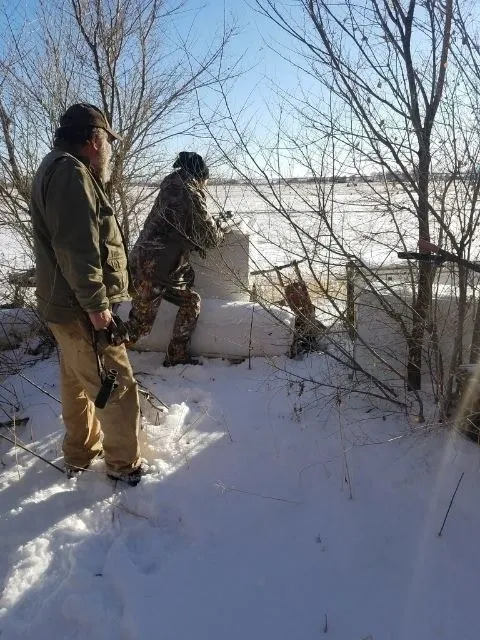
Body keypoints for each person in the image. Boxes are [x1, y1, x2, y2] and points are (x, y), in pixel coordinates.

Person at [30, 103, 143, 486]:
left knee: (77, 382)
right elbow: (76, 249)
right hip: (80, 307)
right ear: (93, 141)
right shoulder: (70, 174)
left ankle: (80, 453)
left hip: (63, 305)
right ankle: (123, 465)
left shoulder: (56, 166)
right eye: (106, 141)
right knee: (118, 385)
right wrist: (98, 310)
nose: (108, 149)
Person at [127, 151, 224, 366]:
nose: (206, 185)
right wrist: (220, 229)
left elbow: (183, 226)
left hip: (158, 266)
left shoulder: (170, 188)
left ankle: (177, 355)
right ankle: (101, 355)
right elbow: (209, 235)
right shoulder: (188, 192)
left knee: (190, 302)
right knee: (139, 326)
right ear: (200, 176)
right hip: (154, 269)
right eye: (206, 180)